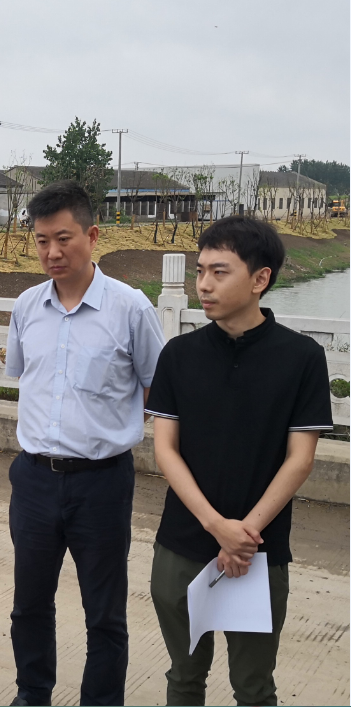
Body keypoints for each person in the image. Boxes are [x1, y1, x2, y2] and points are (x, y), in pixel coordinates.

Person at [145, 216, 332, 706]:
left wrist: (243, 535)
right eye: (200, 271)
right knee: (184, 678)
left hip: (259, 552)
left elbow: (300, 460)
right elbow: (165, 450)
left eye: (219, 272)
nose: (203, 285)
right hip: (182, 545)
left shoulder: (301, 357)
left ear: (260, 279)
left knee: (254, 687)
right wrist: (216, 527)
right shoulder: (178, 355)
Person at [4, 181, 165, 706]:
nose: (52, 252)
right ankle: (33, 693)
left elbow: (157, 388)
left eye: (64, 238)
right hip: (33, 478)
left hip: (101, 483)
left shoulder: (130, 308)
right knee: (29, 603)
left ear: (92, 236)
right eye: (42, 240)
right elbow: (24, 375)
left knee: (104, 613)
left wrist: (107, 427)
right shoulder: (27, 306)